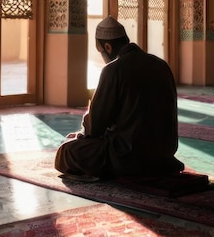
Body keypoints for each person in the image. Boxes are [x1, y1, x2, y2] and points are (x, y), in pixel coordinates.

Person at [54, 16, 184, 180]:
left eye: (101, 51)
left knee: (66, 152)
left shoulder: (113, 70)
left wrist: (81, 136)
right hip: (163, 156)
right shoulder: (161, 65)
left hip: (128, 157)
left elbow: (96, 126)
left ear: (107, 47)